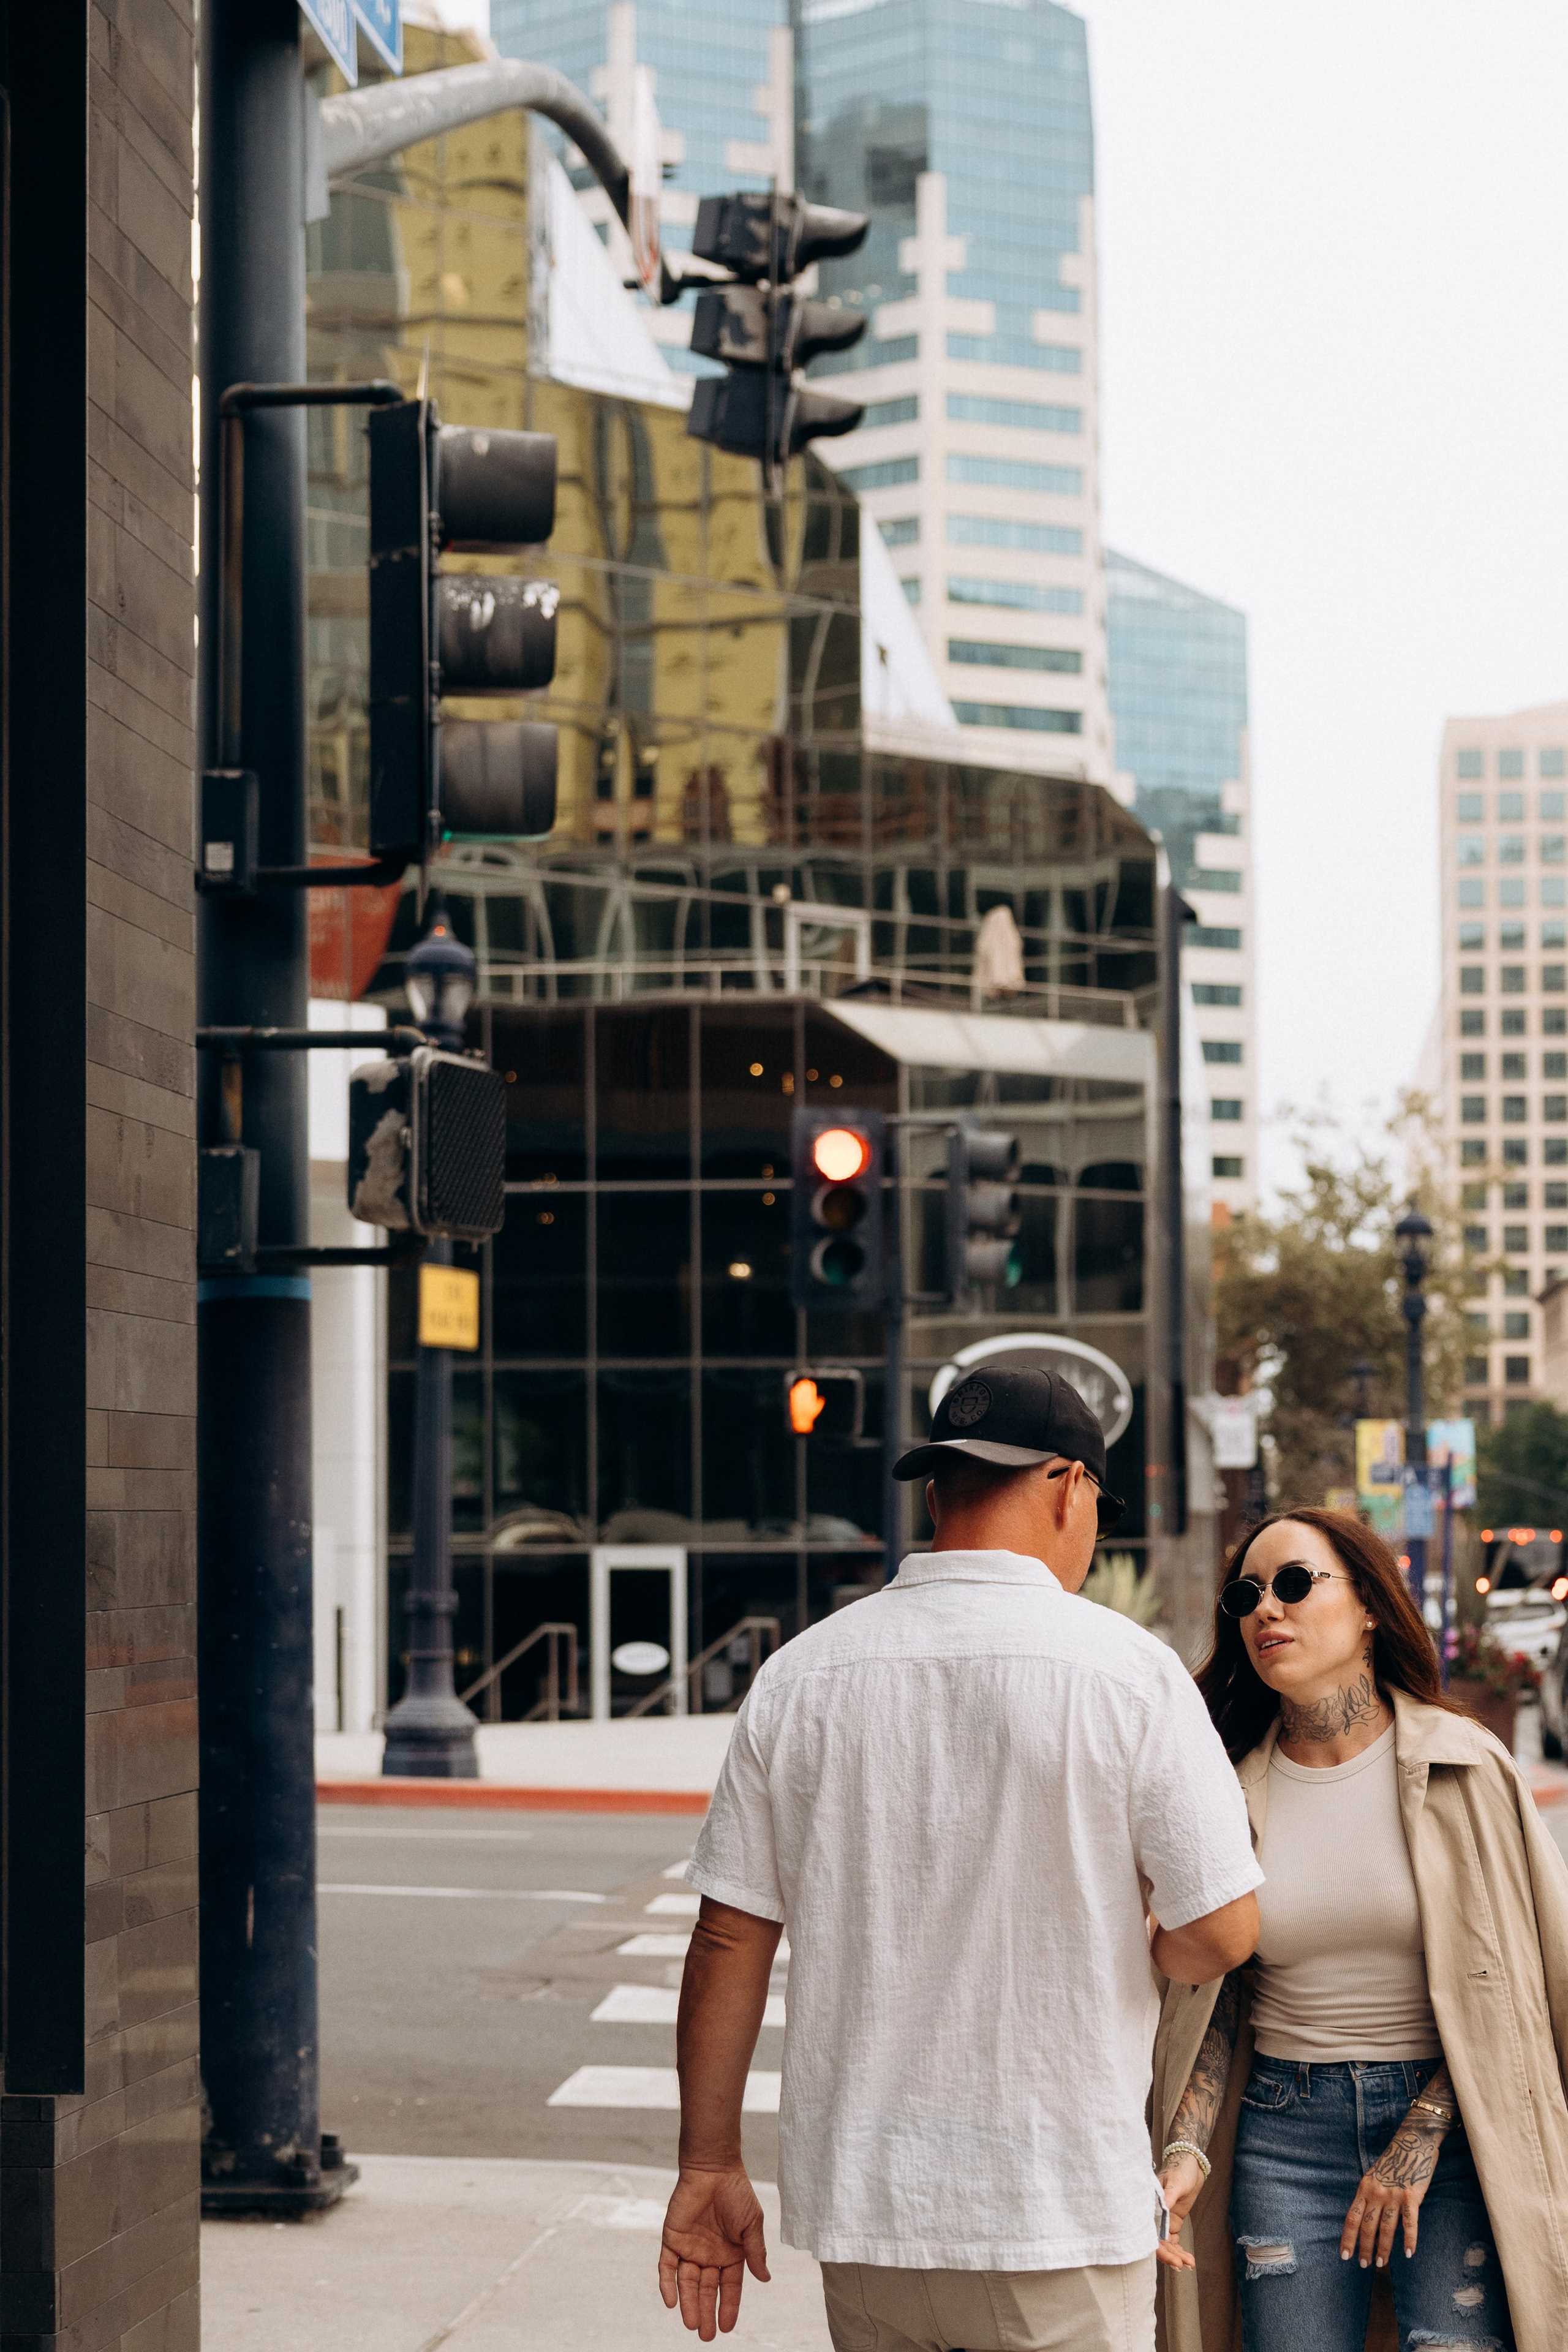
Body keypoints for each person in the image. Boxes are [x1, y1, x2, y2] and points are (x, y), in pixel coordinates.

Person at [658, 1367, 1262, 2351]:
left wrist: (708, 2165)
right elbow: (1224, 1929)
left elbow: (728, 1934)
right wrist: (1147, 1949)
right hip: (1055, 2206)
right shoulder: (1127, 1672)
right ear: (1071, 1487)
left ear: (938, 1494)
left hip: (870, 2213)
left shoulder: (801, 1674)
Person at [1152, 1507, 1568, 2352]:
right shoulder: (1226, 1795)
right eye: (1247, 1596)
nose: (1268, 1610)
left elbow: (1515, 1995)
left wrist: (1414, 2140)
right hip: (1283, 2134)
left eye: (1297, 1584)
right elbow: (1221, 1997)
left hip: (1457, 2133)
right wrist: (1186, 2147)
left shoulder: (1465, 1767)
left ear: (1371, 1605)